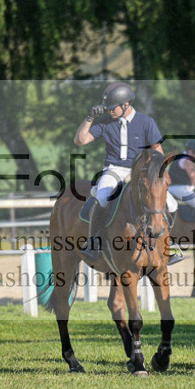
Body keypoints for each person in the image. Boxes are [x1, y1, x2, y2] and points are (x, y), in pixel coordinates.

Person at [74, 82, 166, 262]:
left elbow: (158, 152)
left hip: (140, 171)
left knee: (170, 202)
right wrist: (89, 118)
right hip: (114, 170)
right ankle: (95, 241)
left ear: (126, 105)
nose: (109, 111)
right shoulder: (106, 123)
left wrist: (154, 175)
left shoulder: (146, 122)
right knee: (101, 197)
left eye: (112, 107)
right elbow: (80, 140)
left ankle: (169, 244)